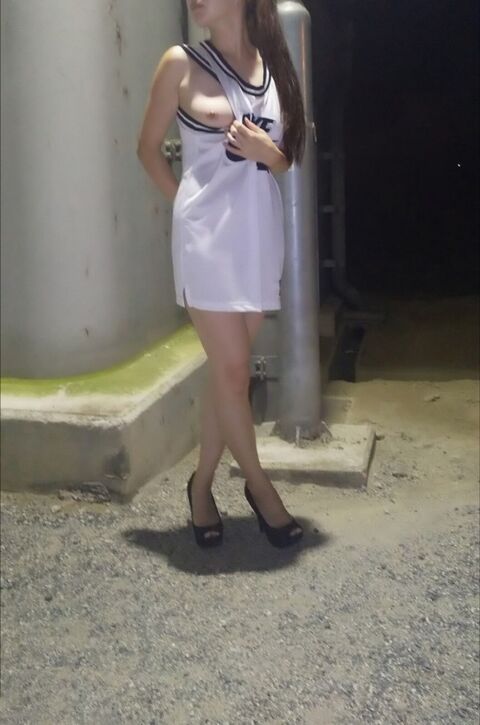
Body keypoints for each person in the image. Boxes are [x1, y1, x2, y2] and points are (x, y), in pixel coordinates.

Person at [137, 0, 306, 549]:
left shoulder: (273, 64)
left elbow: (288, 157)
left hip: (257, 237)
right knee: (234, 373)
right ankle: (261, 490)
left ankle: (202, 485)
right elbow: (147, 150)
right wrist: (188, 209)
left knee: (225, 377)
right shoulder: (179, 63)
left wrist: (265, 151)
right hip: (206, 242)